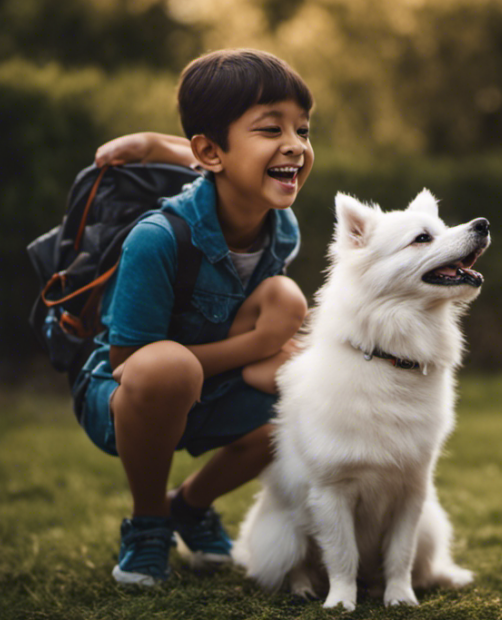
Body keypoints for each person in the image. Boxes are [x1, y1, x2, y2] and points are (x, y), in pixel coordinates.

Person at [73, 48, 314, 586]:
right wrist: (258, 348)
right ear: (210, 151)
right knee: (169, 369)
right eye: (272, 128)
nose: (296, 146)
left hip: (207, 385)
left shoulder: (283, 227)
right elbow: (131, 361)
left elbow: (215, 157)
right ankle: (148, 522)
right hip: (125, 393)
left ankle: (189, 505)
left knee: (300, 372)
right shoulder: (158, 239)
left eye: (303, 129)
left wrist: (278, 353)